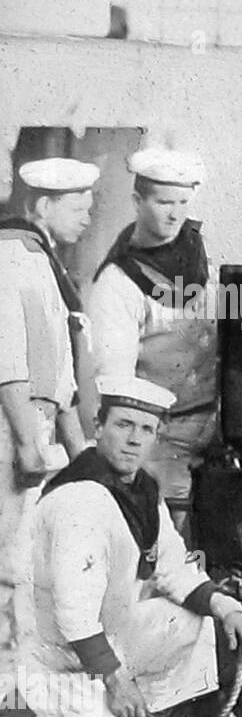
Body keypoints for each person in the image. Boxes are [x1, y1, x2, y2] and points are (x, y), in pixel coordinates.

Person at [22, 376, 242, 717]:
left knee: (198, 623)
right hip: (57, 663)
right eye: (123, 425)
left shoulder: (140, 488)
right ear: (98, 427)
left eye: (146, 429)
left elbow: (173, 565)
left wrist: (226, 606)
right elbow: (73, 612)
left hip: (103, 644)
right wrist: (117, 681)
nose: (134, 440)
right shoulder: (81, 497)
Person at [83, 147, 216, 541]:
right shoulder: (118, 283)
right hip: (161, 441)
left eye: (182, 203)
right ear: (138, 201)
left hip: (214, 434)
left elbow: (235, 323)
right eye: (163, 202)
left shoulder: (200, 260)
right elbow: (116, 383)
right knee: (166, 546)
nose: (175, 214)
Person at [0, 158, 97, 676]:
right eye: (77, 208)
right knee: (8, 562)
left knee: (25, 562)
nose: (86, 218)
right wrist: (25, 440)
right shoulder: (11, 257)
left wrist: (78, 451)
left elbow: (60, 371)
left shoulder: (41, 259)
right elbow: (8, 357)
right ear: (42, 205)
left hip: (37, 423)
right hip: (13, 426)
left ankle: (17, 681)